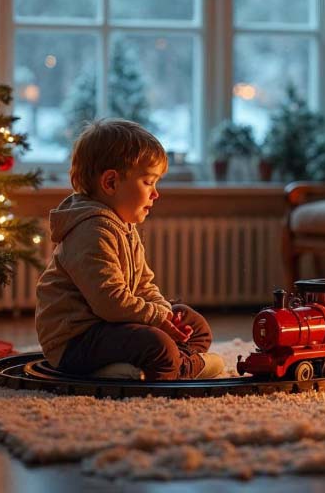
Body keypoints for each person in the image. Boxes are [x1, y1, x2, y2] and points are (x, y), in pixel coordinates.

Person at [34, 118, 223, 381]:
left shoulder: (123, 226)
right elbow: (110, 302)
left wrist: (165, 312)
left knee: (194, 325)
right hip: (78, 341)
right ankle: (185, 367)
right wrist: (157, 319)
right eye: (148, 182)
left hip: (113, 325)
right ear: (111, 182)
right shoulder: (92, 230)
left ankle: (133, 369)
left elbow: (144, 285)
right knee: (157, 344)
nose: (155, 194)